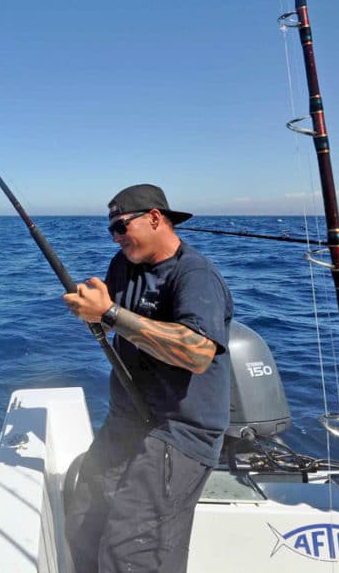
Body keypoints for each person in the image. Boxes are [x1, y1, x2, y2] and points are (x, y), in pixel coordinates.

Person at [61, 183, 233, 573]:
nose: (117, 237)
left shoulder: (196, 275)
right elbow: (118, 322)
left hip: (179, 430)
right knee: (84, 521)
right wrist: (96, 315)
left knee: (131, 550)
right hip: (128, 418)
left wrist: (109, 315)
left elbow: (197, 352)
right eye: (111, 231)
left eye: (122, 226)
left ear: (156, 218)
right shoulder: (122, 266)